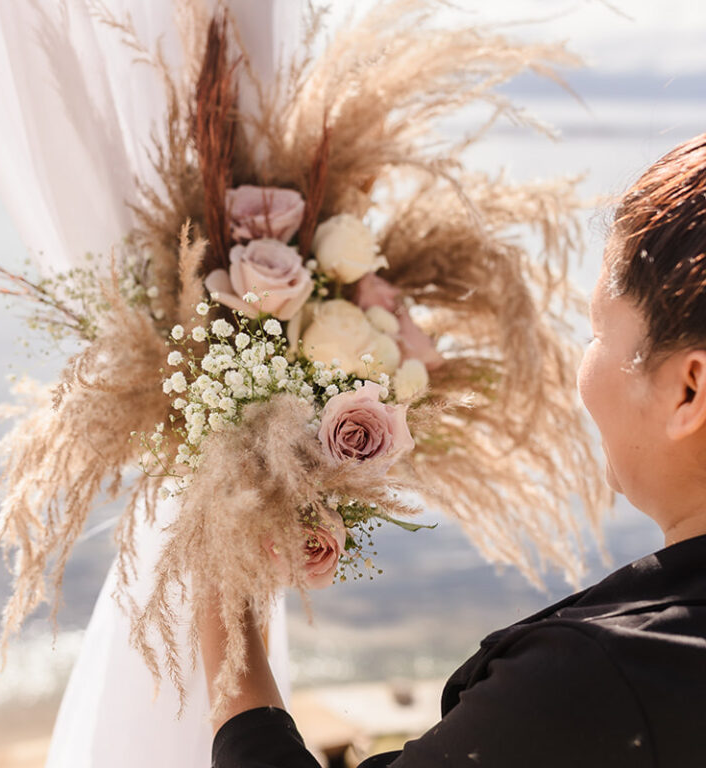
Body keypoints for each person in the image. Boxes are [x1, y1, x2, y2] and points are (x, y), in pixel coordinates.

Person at [199, 133, 706, 767]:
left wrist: (223, 620)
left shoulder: (602, 680)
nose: (583, 363)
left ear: (689, 390)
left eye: (597, 330)